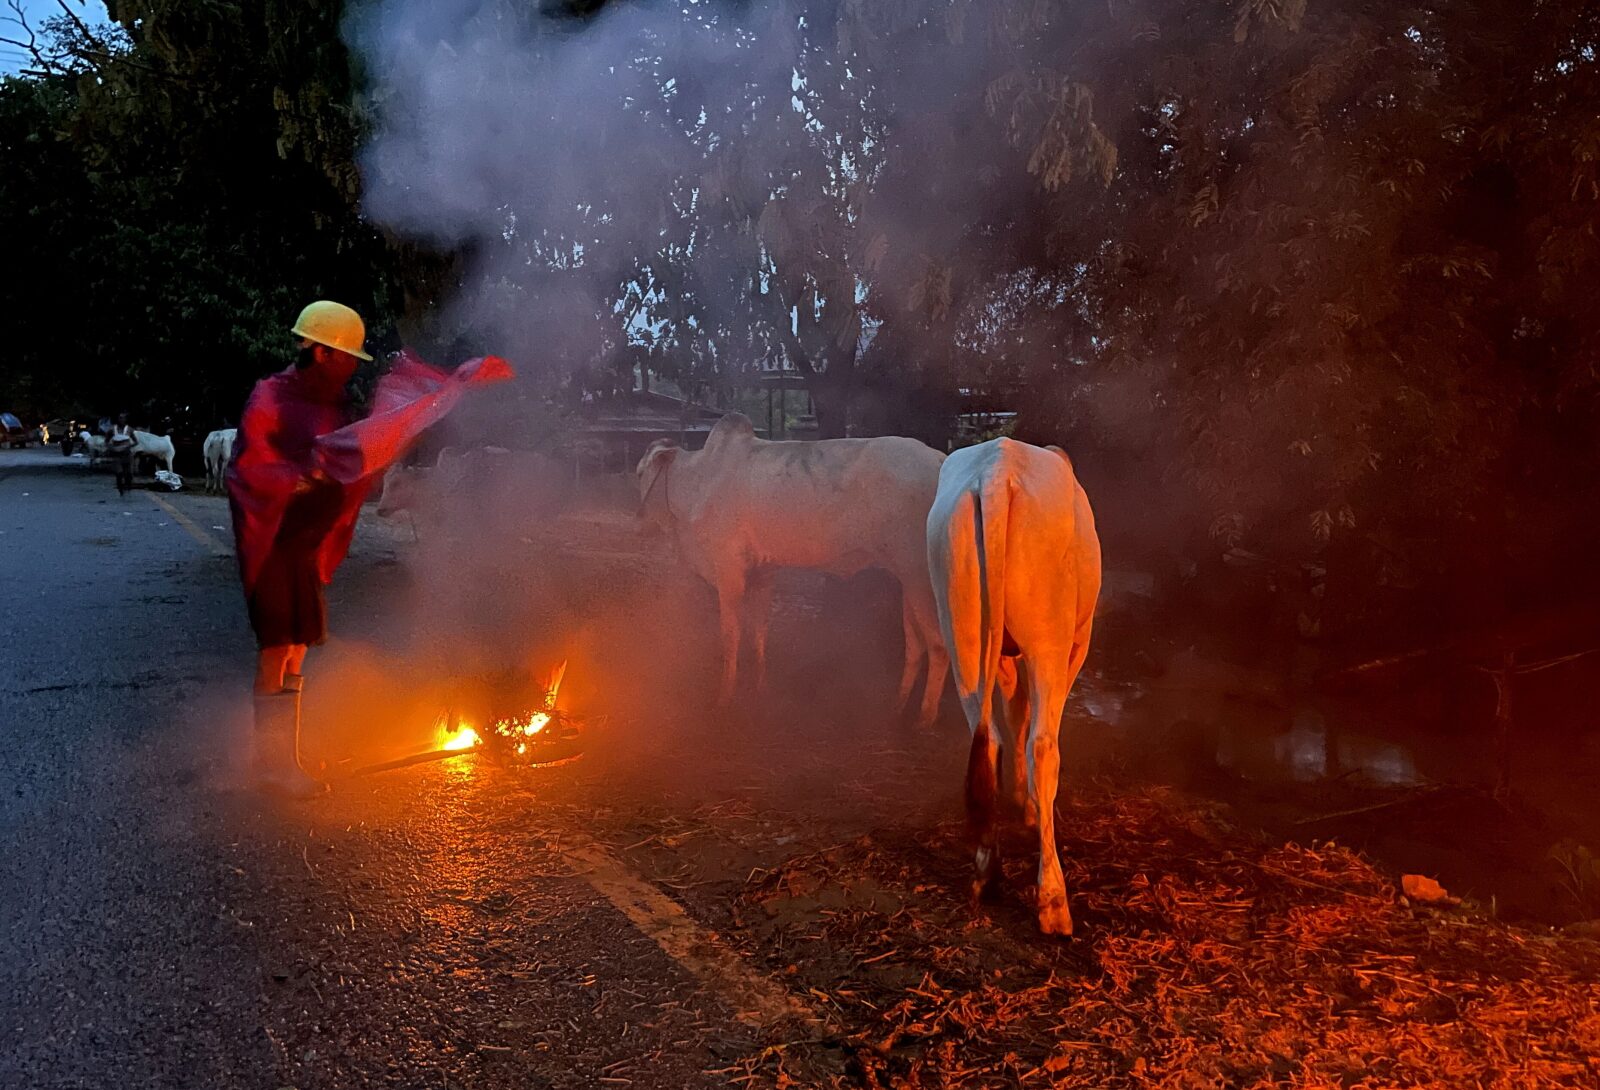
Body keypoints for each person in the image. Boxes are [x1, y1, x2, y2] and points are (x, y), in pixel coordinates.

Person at [226, 301, 374, 797]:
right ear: (323, 351)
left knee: (296, 650)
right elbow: (249, 466)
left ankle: (282, 757)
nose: (354, 364)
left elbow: (351, 452)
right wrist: (301, 478)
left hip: (304, 548)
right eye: (348, 355)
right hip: (273, 544)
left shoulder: (332, 404)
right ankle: (270, 767)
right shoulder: (270, 395)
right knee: (275, 648)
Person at [108, 412, 136, 495]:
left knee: (129, 473)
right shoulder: (112, 429)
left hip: (127, 454)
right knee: (119, 473)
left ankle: (128, 486)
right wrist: (112, 448)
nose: (121, 420)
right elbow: (107, 441)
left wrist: (127, 446)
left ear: (126, 419)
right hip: (117, 455)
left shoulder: (130, 429)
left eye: (123, 418)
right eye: (120, 418)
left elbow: (135, 442)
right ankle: (120, 489)